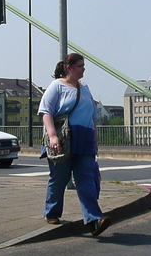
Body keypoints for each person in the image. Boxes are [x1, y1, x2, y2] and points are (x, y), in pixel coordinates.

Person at [40, 52, 111, 236]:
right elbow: (46, 112)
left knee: (86, 179)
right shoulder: (57, 86)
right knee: (60, 178)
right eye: (80, 66)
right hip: (64, 138)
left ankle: (95, 220)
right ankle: (52, 212)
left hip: (84, 139)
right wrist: (53, 136)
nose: (84, 69)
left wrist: (94, 137)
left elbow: (93, 115)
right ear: (69, 68)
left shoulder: (85, 88)